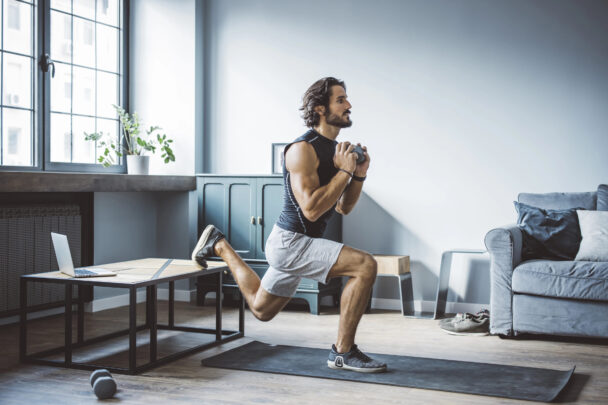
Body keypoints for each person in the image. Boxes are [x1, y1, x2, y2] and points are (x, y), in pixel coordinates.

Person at [192, 77, 386, 373]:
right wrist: (344, 172)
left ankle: (219, 244)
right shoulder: (301, 149)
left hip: (294, 245)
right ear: (320, 109)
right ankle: (342, 352)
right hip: (292, 242)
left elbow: (344, 207)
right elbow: (310, 210)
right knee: (365, 265)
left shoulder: (334, 151)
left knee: (261, 309)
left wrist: (358, 173)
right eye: (341, 100)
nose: (349, 105)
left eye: (346, 99)